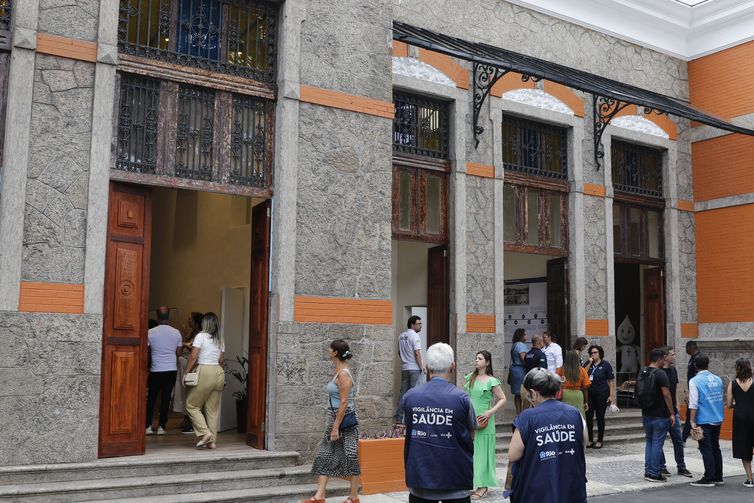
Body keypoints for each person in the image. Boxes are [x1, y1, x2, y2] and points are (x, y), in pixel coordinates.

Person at [403, 342, 478, 503]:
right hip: (456, 481)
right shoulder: (463, 399)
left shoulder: (410, 396)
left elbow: (408, 429)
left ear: (426, 367)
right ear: (453, 366)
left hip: (420, 482)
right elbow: (471, 434)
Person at [508, 368, 587, 503]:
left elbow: (513, 454)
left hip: (538, 491)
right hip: (572, 488)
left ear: (533, 393)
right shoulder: (575, 413)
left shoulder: (526, 417)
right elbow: (583, 443)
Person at [305, 339, 361, 503]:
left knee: (350, 457)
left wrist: (336, 427)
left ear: (335, 352)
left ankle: (354, 497)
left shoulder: (343, 374)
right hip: (335, 418)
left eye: (330, 348)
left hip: (345, 421)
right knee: (325, 454)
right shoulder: (338, 371)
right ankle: (319, 496)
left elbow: (344, 402)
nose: (327, 350)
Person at [465, 351, 507, 499]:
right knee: (472, 452)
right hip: (471, 420)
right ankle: (474, 482)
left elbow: (503, 399)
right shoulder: (470, 377)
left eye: (480, 358)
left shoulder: (491, 381)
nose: (476, 360)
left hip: (485, 421)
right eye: (475, 358)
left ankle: (483, 486)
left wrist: (490, 413)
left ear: (487, 362)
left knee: (483, 453)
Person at [184, 312, 225, 450]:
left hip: (205, 370)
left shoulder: (200, 336)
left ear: (204, 324)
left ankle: (205, 433)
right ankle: (212, 442)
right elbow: (221, 360)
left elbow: (193, 356)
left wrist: (186, 373)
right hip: (218, 372)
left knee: (191, 405)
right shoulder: (220, 339)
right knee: (212, 410)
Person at [638, 348, 675, 482]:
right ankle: (654, 473)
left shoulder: (643, 371)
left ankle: (648, 470)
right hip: (660, 414)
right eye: (663, 358)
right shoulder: (660, 374)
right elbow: (666, 394)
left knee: (649, 442)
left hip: (646, 413)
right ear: (659, 359)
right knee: (657, 444)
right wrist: (672, 412)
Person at [688, 354, 725, 487]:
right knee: (716, 447)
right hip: (717, 417)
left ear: (695, 366)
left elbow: (693, 403)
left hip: (704, 418)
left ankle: (709, 477)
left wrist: (692, 421)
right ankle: (718, 476)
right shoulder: (718, 379)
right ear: (708, 364)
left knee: (706, 449)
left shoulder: (694, 381)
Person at [146, 306, 182, 435]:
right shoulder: (176, 332)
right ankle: (161, 427)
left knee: (151, 399)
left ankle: (148, 426)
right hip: (171, 369)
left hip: (156, 370)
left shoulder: (150, 332)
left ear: (157, 316)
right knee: (166, 399)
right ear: (168, 317)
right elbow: (179, 353)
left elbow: (146, 350)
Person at [659, 346, 692, 478]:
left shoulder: (673, 370)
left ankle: (681, 467)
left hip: (674, 411)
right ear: (665, 356)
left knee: (678, 440)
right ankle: (662, 467)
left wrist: (677, 404)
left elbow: (676, 388)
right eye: (672, 354)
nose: (674, 356)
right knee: (659, 441)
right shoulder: (658, 372)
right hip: (662, 411)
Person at [727, 358, 754, 488]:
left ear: (737, 368)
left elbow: (728, 404)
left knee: (744, 448)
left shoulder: (733, 383)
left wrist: (738, 403)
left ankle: (750, 479)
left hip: (740, 418)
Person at [175, 311, 204, 434]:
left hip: (192, 366)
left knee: (191, 392)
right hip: (184, 364)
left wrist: (188, 346)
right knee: (184, 392)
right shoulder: (193, 334)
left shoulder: (202, 335)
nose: (188, 320)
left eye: (190, 319)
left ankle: (193, 423)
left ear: (196, 321)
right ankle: (186, 418)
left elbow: (199, 352)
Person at [395, 316, 425, 425]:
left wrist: (405, 360)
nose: (420, 325)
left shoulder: (401, 336)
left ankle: (399, 419)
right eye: (419, 324)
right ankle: (412, 420)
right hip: (414, 369)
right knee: (414, 395)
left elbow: (399, 352)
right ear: (412, 325)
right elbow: (417, 353)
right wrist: (422, 367)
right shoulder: (415, 336)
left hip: (405, 368)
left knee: (403, 394)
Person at [584, 345, 615, 449]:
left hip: (602, 394)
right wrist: (589, 362)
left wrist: (611, 395)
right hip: (590, 394)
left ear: (600, 353)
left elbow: (610, 381)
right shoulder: (589, 364)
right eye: (591, 353)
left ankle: (600, 440)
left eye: (595, 352)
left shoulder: (605, 365)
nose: (593, 354)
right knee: (588, 417)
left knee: (600, 417)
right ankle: (590, 439)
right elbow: (583, 374)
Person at [557, 350, 590, 419]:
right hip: (578, 394)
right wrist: (586, 401)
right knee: (579, 416)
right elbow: (585, 387)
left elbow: (556, 384)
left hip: (565, 394)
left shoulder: (560, 370)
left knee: (565, 416)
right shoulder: (582, 370)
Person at [683, 340, 701, 442]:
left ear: (690, 348)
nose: (686, 350)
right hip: (692, 389)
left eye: (686, 348)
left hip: (695, 391)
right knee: (689, 415)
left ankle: (683, 438)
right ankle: (684, 438)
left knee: (690, 415)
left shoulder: (697, 359)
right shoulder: (692, 358)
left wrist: (690, 392)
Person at [509, 329, 529, 415]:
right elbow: (523, 358)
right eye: (525, 335)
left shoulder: (515, 345)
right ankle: (524, 414)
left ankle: (518, 413)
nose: (526, 336)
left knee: (517, 394)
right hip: (521, 371)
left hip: (514, 371)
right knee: (525, 393)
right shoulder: (521, 345)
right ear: (521, 336)